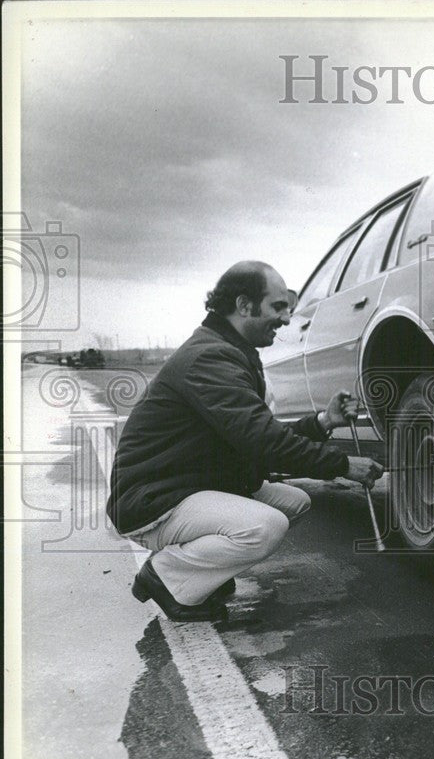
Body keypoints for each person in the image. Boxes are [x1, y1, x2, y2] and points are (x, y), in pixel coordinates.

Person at [106, 260, 383, 622]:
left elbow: (257, 435)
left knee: (293, 503)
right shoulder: (210, 357)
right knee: (265, 526)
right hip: (153, 500)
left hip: (187, 486)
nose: (286, 319)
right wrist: (344, 466)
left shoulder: (228, 350)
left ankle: (202, 572)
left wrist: (322, 422)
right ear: (244, 305)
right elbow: (263, 441)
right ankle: (166, 577)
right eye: (278, 307)